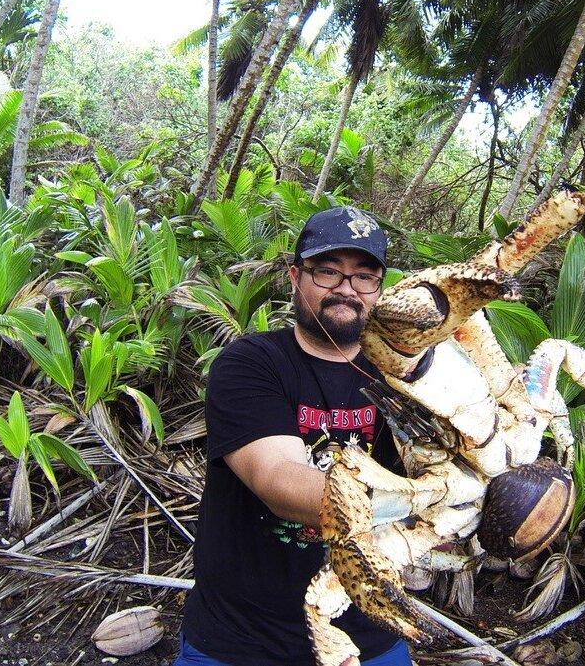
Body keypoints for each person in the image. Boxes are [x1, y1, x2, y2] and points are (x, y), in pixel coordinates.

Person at [176, 206, 412, 666]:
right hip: (241, 639)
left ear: (379, 290)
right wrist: (427, 501)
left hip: (370, 630)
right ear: (295, 277)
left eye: (365, 277)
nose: (347, 288)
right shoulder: (251, 361)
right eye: (328, 271)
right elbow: (279, 481)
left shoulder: (404, 376)